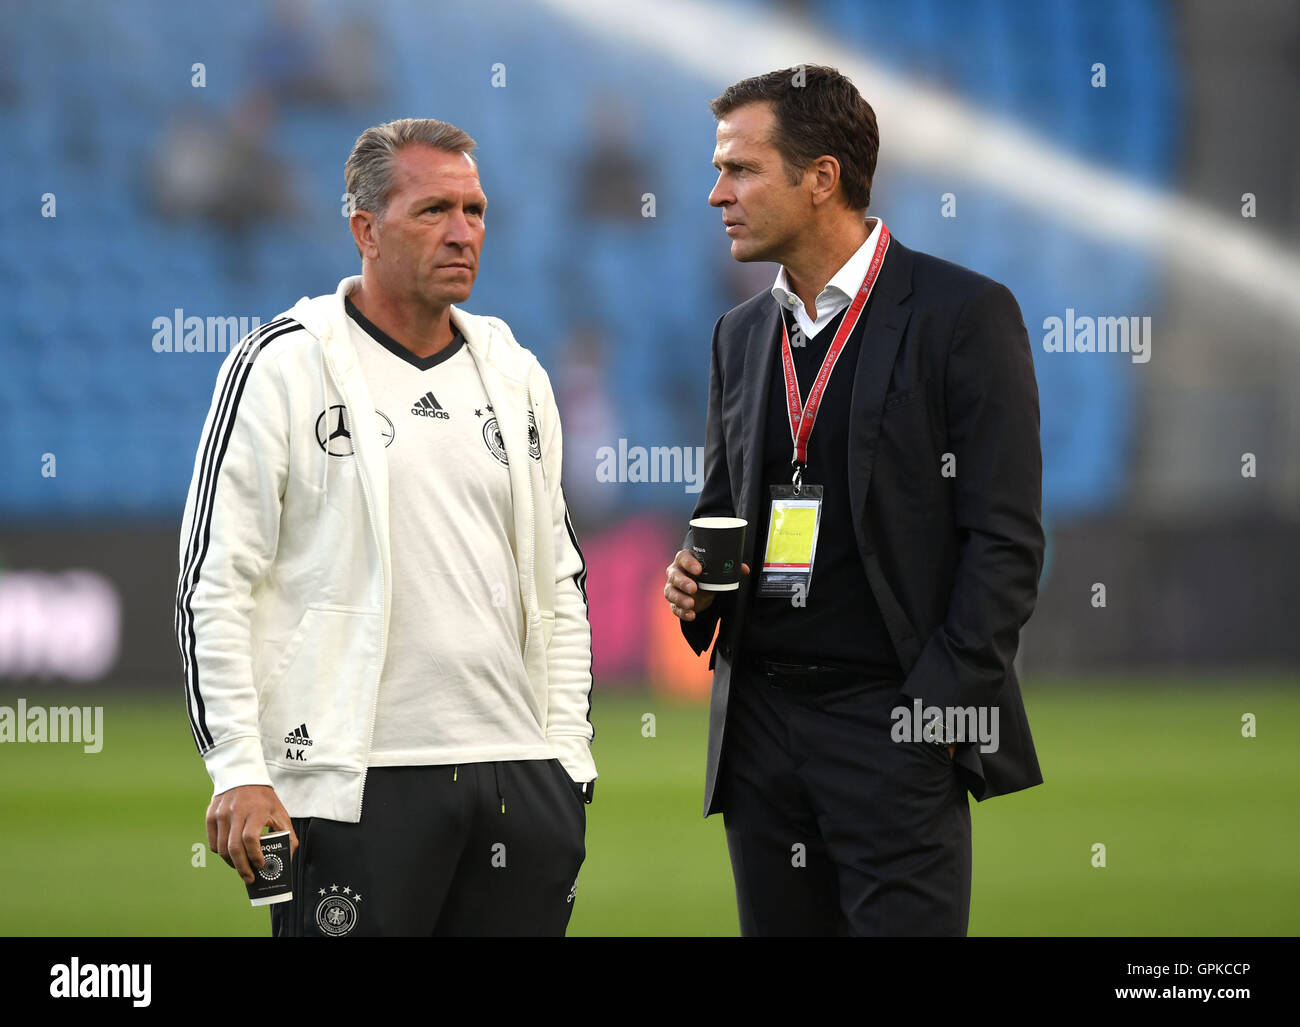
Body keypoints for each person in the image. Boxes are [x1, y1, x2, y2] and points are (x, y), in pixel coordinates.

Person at [176, 117, 595, 937]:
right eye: (434, 210)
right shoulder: (282, 365)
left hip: (518, 780)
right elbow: (216, 578)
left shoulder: (514, 372)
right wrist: (238, 767)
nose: (464, 232)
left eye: (475, 211)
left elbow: (559, 578)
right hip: (353, 784)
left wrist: (567, 758)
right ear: (365, 229)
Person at [663, 67, 1044, 936]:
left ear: (822, 177)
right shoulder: (741, 332)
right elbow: (723, 514)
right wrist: (695, 582)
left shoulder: (963, 313)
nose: (717, 193)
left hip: (894, 724)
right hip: (762, 733)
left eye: (741, 170)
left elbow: (1006, 541)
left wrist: (934, 722)